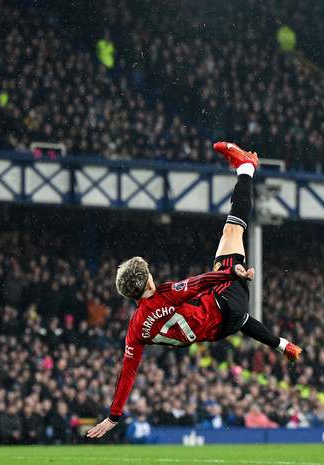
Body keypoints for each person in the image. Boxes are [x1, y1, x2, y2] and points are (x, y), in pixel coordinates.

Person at [87, 142, 302, 439]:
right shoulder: (166, 294)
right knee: (233, 231)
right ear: (149, 282)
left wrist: (114, 415)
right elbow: (200, 282)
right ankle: (246, 168)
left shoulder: (136, 329)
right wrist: (233, 272)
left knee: (233, 310)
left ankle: (283, 345)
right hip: (227, 297)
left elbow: (128, 373)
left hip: (221, 327)